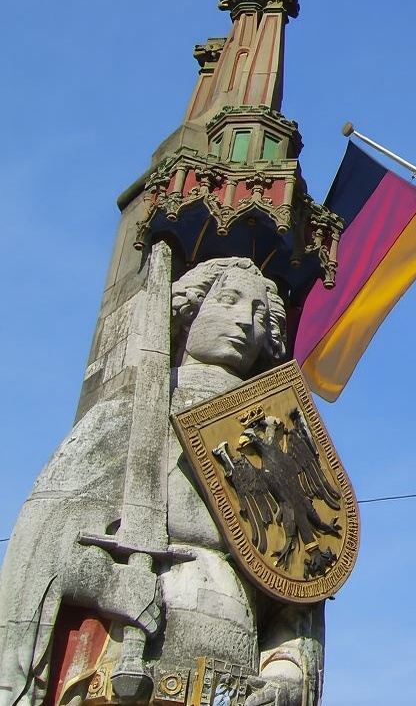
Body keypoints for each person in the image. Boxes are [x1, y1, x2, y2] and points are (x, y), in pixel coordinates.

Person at [0, 253, 321, 706]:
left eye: (259, 314)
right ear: (189, 311)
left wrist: (286, 673)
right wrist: (107, 584)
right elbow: (42, 541)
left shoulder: (278, 437)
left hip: (232, 681)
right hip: (122, 671)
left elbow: (299, 580)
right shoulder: (132, 414)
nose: (244, 323)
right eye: (228, 300)